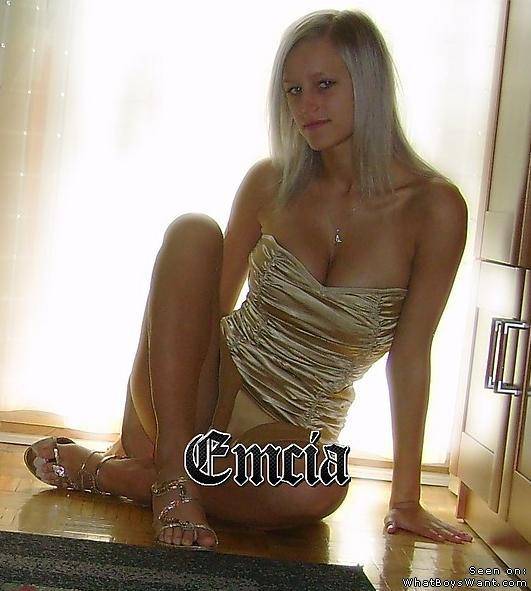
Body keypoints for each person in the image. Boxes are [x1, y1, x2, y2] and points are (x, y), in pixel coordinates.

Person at [24, 9, 473, 551]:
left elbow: (411, 355)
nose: (305, 106)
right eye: (293, 90)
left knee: (321, 485)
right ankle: (171, 474)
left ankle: (117, 477)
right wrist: (160, 420)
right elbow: (199, 314)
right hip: (194, 399)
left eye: (324, 85)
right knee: (193, 231)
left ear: (370, 84)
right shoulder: (270, 181)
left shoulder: (434, 208)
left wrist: (405, 498)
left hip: (285, 433)